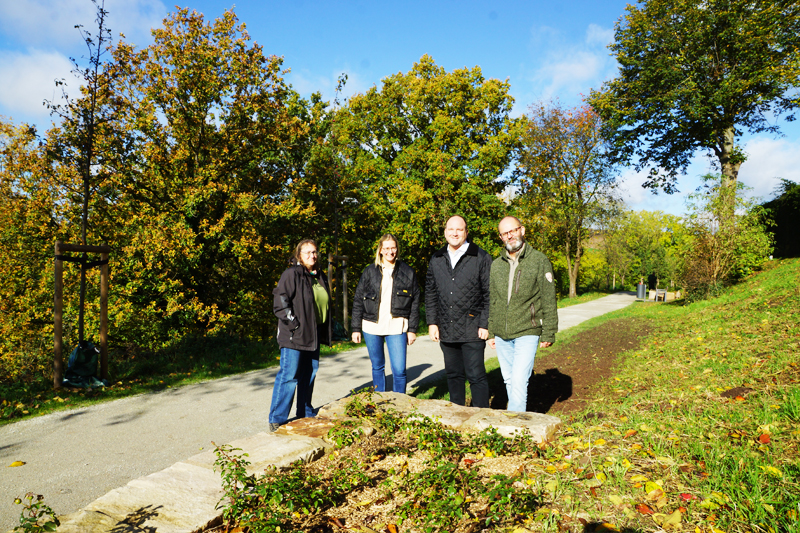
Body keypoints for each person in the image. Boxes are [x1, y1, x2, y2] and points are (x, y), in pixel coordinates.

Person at [487, 216, 558, 412]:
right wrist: (492, 331)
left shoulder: (539, 260)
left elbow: (548, 298)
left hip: (528, 329)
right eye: (505, 233)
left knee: (519, 379)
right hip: (502, 333)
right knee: (509, 378)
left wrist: (549, 331)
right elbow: (493, 300)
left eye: (513, 231)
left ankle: (515, 425)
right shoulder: (496, 265)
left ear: (522, 230)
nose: (510, 236)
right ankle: (517, 419)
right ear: (501, 237)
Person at [425, 215, 492, 408]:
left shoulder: (480, 256)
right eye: (450, 229)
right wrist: (432, 322)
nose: (455, 233)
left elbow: (489, 293)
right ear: (445, 232)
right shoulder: (437, 258)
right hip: (447, 328)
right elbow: (430, 292)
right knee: (453, 376)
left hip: (473, 328)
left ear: (466, 232)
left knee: (476, 376)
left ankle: (481, 418)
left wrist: (484, 323)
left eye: (459, 229)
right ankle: (457, 415)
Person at [269, 239, 331, 432]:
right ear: (299, 256)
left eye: (314, 252)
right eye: (308, 253)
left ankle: (304, 411)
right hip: (294, 335)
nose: (312, 256)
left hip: (312, 335)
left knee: (308, 375)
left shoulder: (319, 276)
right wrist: (294, 324)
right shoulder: (292, 274)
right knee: (289, 376)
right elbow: (280, 302)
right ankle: (277, 418)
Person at [351, 234, 420, 393]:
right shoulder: (369, 271)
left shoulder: (407, 272)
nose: (391, 251)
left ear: (397, 249)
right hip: (371, 326)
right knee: (377, 366)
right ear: (380, 250)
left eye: (393, 248)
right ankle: (379, 402)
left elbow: (415, 302)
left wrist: (412, 330)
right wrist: (355, 328)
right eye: (387, 248)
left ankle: (399, 405)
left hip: (397, 326)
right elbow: (358, 300)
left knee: (399, 370)